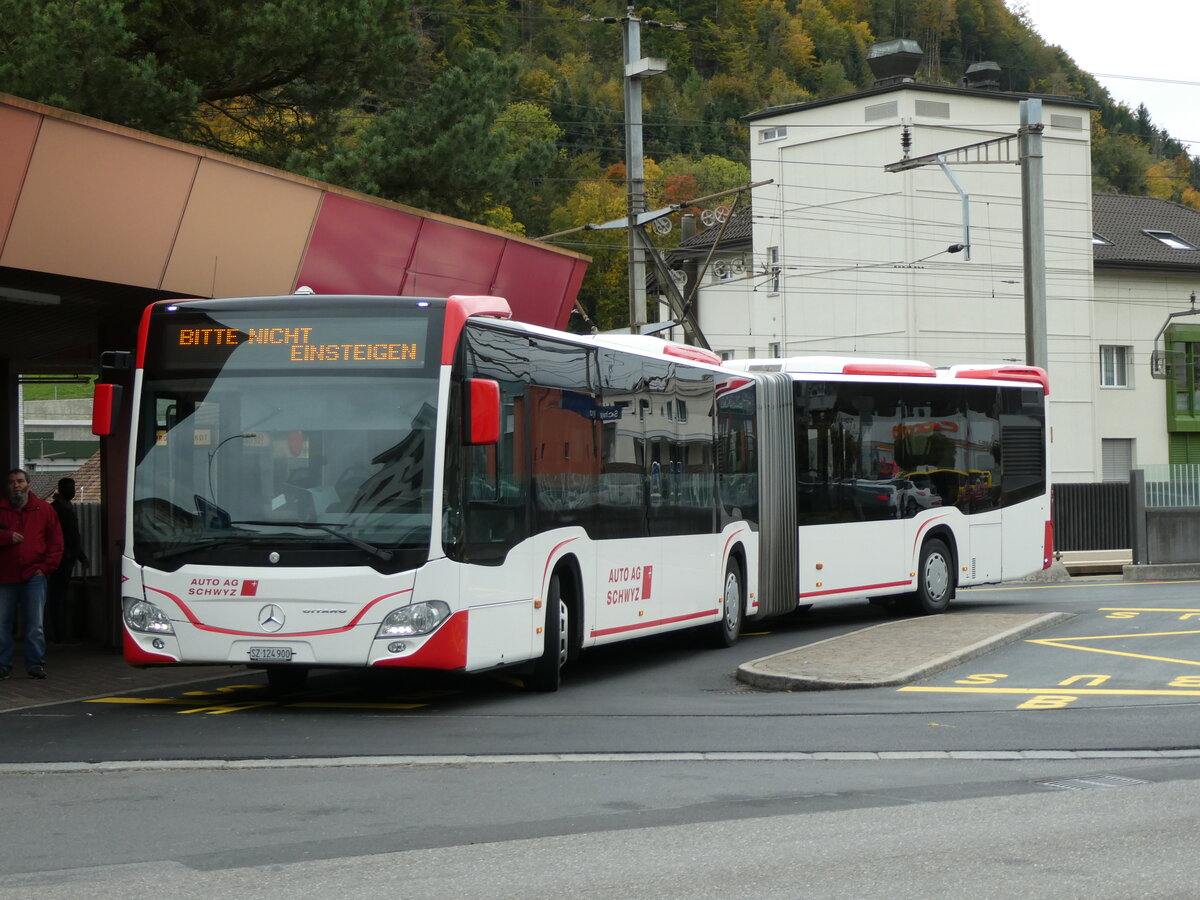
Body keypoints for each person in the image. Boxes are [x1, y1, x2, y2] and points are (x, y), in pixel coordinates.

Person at [0, 469, 64, 679]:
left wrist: (45, 568)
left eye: (20, 481)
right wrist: (6, 537)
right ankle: (3, 665)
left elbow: (56, 543)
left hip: (34, 576)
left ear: (28, 484)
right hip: (4, 576)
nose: (16, 485)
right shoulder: (1, 509)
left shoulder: (44, 509)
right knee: (2, 624)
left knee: (34, 624)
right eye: (11, 482)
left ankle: (35, 664)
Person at [48, 477, 88, 643]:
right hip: (61, 558)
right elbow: (68, 535)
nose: (73, 491)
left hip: (66, 557)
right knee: (58, 596)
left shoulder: (63, 507)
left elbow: (73, 536)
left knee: (59, 595)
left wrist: (80, 555)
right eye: (70, 488)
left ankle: (59, 633)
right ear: (61, 488)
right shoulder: (57, 509)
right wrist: (75, 555)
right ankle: (58, 634)